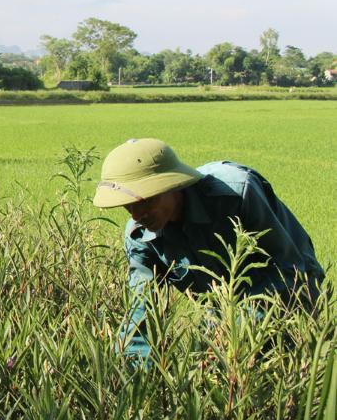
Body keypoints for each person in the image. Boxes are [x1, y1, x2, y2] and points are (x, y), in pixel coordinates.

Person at [93, 138, 324, 361]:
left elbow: (289, 269)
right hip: (222, 314)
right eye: (128, 205)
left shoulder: (236, 195)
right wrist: (131, 375)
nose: (137, 215)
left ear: (173, 186)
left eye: (146, 201)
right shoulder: (140, 237)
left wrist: (237, 330)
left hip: (290, 298)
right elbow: (141, 313)